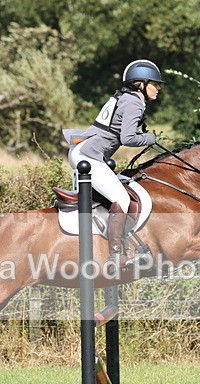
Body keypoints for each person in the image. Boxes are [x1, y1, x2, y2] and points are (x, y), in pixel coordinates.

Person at [63, 59, 163, 268]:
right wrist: (150, 138)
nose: (158, 88)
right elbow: (128, 138)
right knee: (121, 198)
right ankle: (115, 256)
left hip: (85, 151)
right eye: (155, 84)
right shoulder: (134, 102)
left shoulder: (126, 98)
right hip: (88, 155)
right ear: (140, 84)